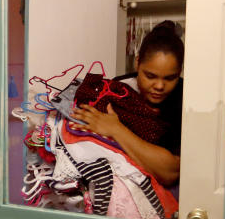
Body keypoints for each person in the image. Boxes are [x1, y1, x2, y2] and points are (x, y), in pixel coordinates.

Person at [71, 20, 183, 187]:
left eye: (170, 78)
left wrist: (116, 129)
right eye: (150, 76)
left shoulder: (184, 98)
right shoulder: (118, 89)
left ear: (179, 71)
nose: (159, 86)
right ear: (137, 63)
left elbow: (170, 172)